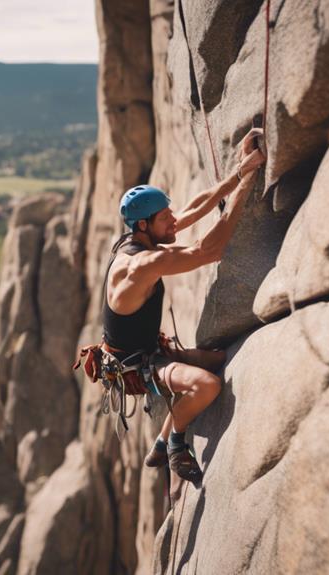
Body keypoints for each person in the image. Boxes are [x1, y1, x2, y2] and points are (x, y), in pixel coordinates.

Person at [101, 128, 265, 484]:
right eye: (165, 219)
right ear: (144, 225)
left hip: (144, 351)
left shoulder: (139, 238)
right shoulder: (138, 266)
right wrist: (248, 183)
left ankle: (159, 444)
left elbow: (192, 209)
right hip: (140, 366)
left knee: (218, 358)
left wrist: (239, 171)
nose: (174, 221)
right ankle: (175, 443)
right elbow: (209, 251)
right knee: (206, 385)